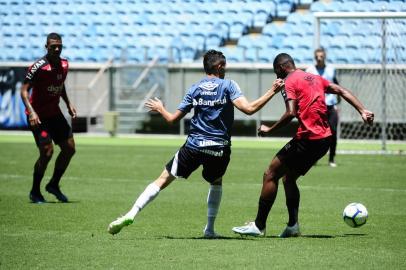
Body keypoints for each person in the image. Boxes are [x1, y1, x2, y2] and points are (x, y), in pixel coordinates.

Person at [107, 49, 284, 238]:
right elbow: (249, 109)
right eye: (225, 66)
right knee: (216, 181)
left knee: (162, 180)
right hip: (219, 148)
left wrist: (160, 108)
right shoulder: (228, 86)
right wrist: (272, 91)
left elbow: (173, 120)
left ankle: (131, 213)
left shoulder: (195, 88)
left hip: (193, 146)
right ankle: (209, 229)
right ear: (219, 66)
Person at [232, 53, 374, 238]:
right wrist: (362, 110)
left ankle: (258, 226)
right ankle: (292, 225)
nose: (277, 78)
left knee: (270, 174)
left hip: (308, 139)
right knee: (288, 178)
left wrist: (270, 129)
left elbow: (291, 112)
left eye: (277, 72)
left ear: (282, 68)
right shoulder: (314, 77)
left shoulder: (289, 81)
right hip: (324, 140)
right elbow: (342, 91)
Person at [21, 32, 76, 203]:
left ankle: (53, 184)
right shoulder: (38, 67)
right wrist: (32, 112)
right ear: (47, 47)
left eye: (59, 45)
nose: (57, 49)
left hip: (55, 113)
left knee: (69, 149)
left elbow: (60, 85)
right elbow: (24, 91)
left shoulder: (64, 64)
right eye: (53, 46)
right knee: (47, 152)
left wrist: (68, 104)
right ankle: (35, 192)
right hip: (38, 116)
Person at [306, 47, 340, 167]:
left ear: (325, 56)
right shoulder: (310, 70)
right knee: (316, 134)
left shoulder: (331, 70)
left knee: (333, 133)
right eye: (317, 57)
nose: (319, 59)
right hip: (316, 107)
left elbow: (337, 87)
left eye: (321, 56)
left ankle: (331, 159)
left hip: (331, 106)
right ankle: (314, 158)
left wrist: (337, 104)